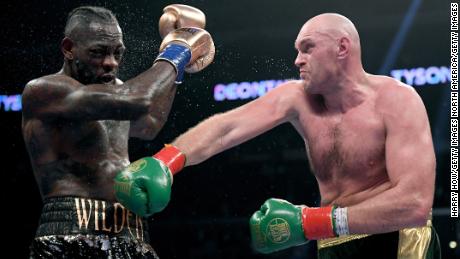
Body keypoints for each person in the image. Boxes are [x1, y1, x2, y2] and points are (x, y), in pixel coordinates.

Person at [115, 13, 441, 258]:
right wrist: (165, 162)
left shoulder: (397, 100)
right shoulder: (297, 98)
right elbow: (226, 127)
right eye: (297, 50)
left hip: (397, 238)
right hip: (332, 241)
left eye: (307, 49)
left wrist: (307, 223)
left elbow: (414, 203)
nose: (298, 59)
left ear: (342, 47)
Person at [22, 5, 214, 258]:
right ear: (69, 49)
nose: (110, 63)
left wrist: (177, 69)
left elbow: (149, 123)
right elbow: (139, 99)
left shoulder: (118, 92)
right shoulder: (45, 90)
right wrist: (177, 51)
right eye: (99, 53)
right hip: (72, 226)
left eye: (117, 52)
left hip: (131, 230)